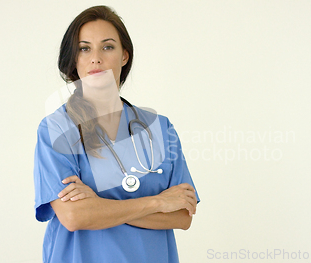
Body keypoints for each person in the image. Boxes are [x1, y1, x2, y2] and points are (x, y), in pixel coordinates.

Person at [33, 5, 200, 263]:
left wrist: (98, 206)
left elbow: (182, 215)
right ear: (74, 59)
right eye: (84, 48)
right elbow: (75, 216)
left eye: (107, 47)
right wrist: (158, 203)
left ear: (124, 55)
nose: (96, 58)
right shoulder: (57, 129)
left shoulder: (160, 128)